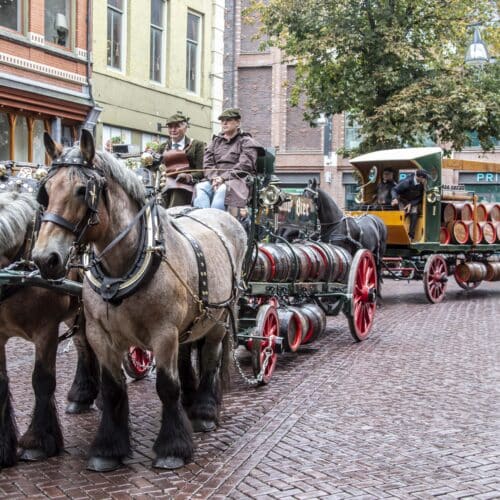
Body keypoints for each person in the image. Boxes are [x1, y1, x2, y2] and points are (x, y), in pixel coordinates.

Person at [193, 108, 261, 215]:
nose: (224, 123)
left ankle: (216, 221)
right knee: (200, 187)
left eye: (228, 120)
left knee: (223, 190)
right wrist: (214, 178)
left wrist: (223, 178)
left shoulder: (247, 142)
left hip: (237, 180)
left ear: (238, 122)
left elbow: (244, 165)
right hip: (215, 180)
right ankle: (203, 220)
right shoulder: (215, 142)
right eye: (222, 120)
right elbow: (207, 163)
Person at [158, 112, 204, 207]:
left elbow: (201, 171)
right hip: (165, 185)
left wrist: (188, 176)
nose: (173, 130)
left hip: (186, 186)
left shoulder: (197, 145)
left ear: (185, 127)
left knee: (176, 194)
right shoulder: (162, 147)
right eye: (170, 127)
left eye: (177, 126)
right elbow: (156, 169)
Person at [391, 169, 429, 240]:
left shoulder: (422, 184)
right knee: (402, 214)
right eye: (424, 178)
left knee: (414, 213)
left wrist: (411, 204)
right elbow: (394, 190)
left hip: (413, 201)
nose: (425, 180)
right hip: (402, 201)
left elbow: (421, 197)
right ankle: (399, 235)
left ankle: (411, 236)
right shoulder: (406, 182)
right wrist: (394, 198)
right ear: (420, 177)